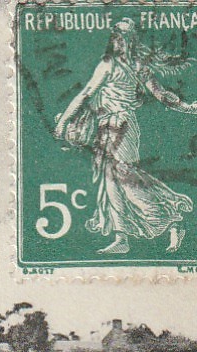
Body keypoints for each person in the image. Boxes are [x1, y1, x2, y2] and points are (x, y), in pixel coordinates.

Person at [55, 18, 197, 254]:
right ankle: (122, 237)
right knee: (112, 183)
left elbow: (161, 94)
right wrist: (64, 121)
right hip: (105, 127)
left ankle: (171, 216)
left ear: (131, 39)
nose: (119, 41)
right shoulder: (107, 64)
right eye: (117, 36)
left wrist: (187, 107)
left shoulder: (137, 66)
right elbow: (85, 95)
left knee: (125, 179)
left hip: (123, 126)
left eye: (124, 37)